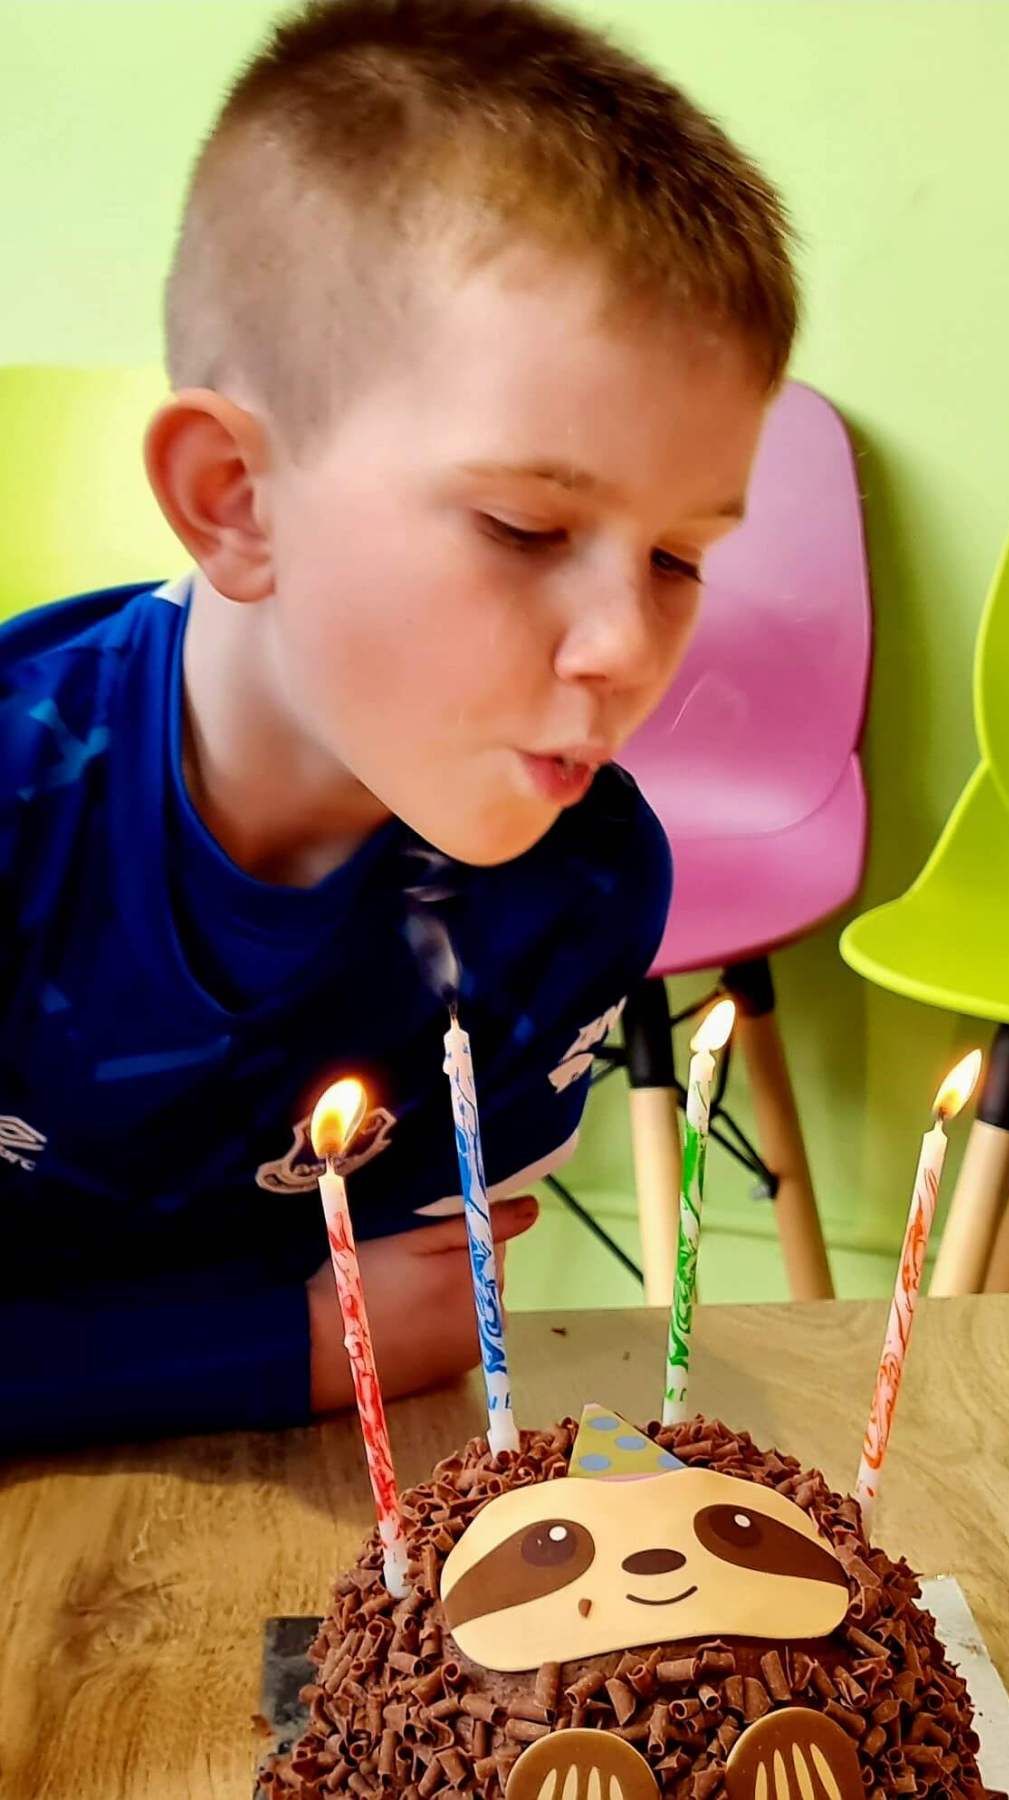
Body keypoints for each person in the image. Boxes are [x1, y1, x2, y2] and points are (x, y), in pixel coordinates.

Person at [0, 0, 796, 1443]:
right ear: (236, 499)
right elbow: (346, 1332)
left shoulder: (579, 891)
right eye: (525, 523)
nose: (628, 647)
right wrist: (272, 1346)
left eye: (682, 556)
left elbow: (415, 1313)